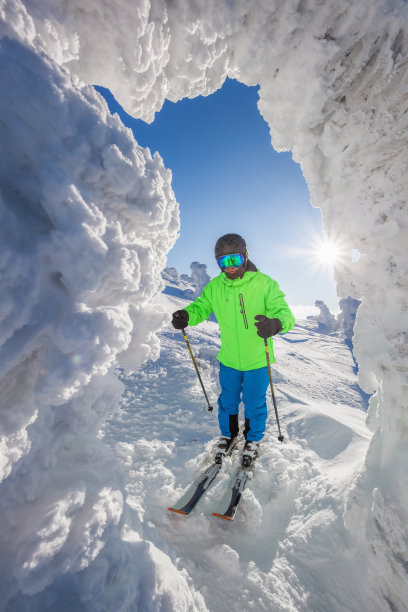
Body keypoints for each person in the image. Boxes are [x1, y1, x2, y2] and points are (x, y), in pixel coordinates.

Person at [171, 233, 295, 464]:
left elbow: (285, 313)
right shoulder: (215, 287)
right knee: (227, 400)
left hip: (257, 359)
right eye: (222, 262)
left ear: (245, 256)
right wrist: (186, 315)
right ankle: (228, 436)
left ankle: (253, 439)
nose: (229, 267)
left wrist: (275, 324)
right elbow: (201, 307)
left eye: (234, 260)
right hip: (228, 359)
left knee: (254, 401)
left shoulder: (264, 284)